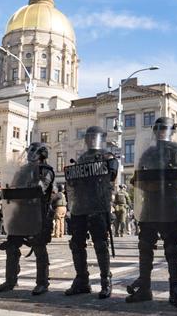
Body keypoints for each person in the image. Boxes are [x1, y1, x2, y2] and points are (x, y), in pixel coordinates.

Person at [126, 117, 177, 308]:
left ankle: (175, 289)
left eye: (165, 128)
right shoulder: (149, 151)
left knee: (172, 248)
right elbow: (139, 174)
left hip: (170, 204)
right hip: (150, 205)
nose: (162, 131)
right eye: (159, 128)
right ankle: (144, 288)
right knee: (145, 247)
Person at [64, 126, 117, 299]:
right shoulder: (80, 159)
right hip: (80, 206)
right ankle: (82, 280)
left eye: (94, 137)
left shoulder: (108, 157)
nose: (91, 140)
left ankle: (105, 281)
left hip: (98, 206)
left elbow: (112, 176)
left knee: (101, 244)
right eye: (89, 137)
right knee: (76, 244)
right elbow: (73, 184)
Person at [0, 142, 55, 295]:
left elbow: (40, 188)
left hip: (38, 214)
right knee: (11, 246)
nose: (30, 153)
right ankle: (10, 280)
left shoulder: (46, 170)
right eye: (30, 150)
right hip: (20, 213)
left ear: (42, 153)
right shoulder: (22, 170)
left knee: (39, 248)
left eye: (34, 151)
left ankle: (42, 283)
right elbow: (14, 187)